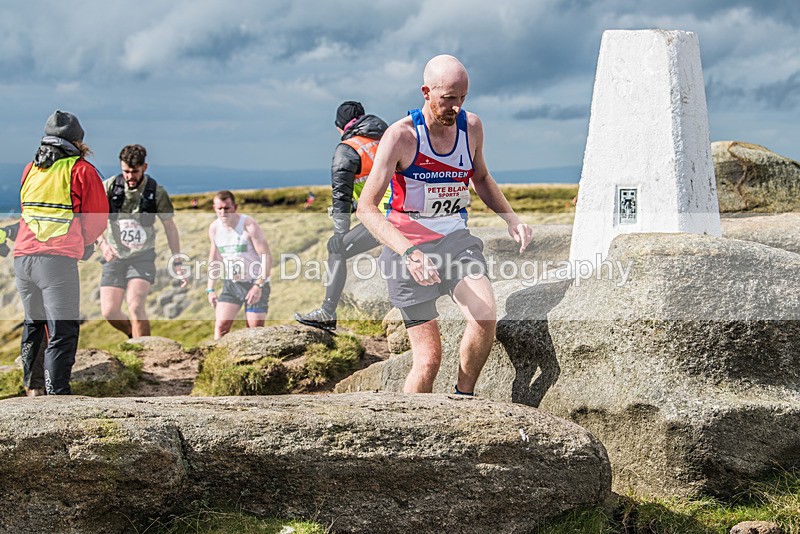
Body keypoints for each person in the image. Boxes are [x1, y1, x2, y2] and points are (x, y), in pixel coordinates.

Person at [357, 55, 533, 395]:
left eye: (463, 97)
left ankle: (463, 397)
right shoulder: (401, 136)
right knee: (428, 361)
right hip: (408, 246)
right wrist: (409, 253)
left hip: (455, 242)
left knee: (484, 316)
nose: (456, 107)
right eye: (449, 98)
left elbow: (481, 177)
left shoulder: (472, 127)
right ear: (426, 92)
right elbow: (366, 208)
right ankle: (410, 423)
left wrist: (511, 218)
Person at [14, 110, 109, 395]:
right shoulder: (81, 170)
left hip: (23, 258)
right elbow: (97, 220)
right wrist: (83, 243)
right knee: (62, 330)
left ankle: (34, 388)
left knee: (34, 324)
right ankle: (57, 395)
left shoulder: (31, 169)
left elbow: (26, 209)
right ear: (78, 141)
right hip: (56, 261)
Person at [294, 101, 391, 331]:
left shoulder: (348, 149)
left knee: (336, 249)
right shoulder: (388, 137)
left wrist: (340, 233)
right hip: (410, 210)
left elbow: (341, 195)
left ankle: (327, 312)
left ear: (340, 126)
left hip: (387, 217)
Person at [96, 144, 186, 339]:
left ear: (144, 167)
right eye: (126, 171)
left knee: (136, 306)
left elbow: (170, 227)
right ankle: (133, 336)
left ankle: (143, 352)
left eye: (134, 171)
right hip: (114, 256)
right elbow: (92, 219)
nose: (130, 176)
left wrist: (177, 260)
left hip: (142, 257)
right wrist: (103, 245)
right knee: (109, 311)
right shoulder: (109, 187)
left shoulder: (157, 192)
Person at [206, 190, 272, 339]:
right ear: (214, 208)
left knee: (254, 329)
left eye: (227, 208)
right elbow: (215, 258)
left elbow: (266, 257)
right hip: (233, 283)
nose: (223, 212)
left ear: (235, 207)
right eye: (219, 208)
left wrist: (258, 285)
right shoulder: (214, 228)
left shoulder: (248, 225)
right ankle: (217, 353)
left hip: (255, 282)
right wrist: (210, 289)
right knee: (221, 325)